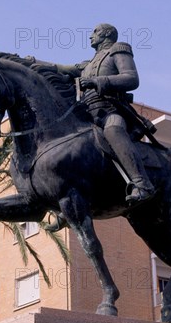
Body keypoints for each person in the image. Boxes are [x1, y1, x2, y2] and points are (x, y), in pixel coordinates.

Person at [55, 23, 155, 205]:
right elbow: (60, 68)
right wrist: (31, 62)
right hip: (88, 114)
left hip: (111, 109)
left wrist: (96, 81)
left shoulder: (118, 50)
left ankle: (142, 184)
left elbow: (131, 78)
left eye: (95, 32)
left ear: (107, 33)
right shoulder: (88, 64)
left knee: (113, 131)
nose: (90, 36)